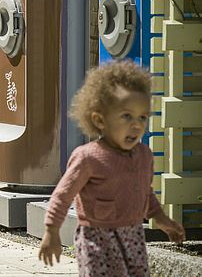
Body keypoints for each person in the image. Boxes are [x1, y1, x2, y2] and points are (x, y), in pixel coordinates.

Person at [38, 60, 185, 274]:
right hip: (97, 239)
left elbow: (145, 192)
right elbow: (62, 196)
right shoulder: (88, 157)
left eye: (142, 117)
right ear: (99, 120)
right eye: (126, 116)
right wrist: (52, 232)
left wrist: (162, 219)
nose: (136, 124)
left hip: (133, 237)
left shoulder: (144, 156)